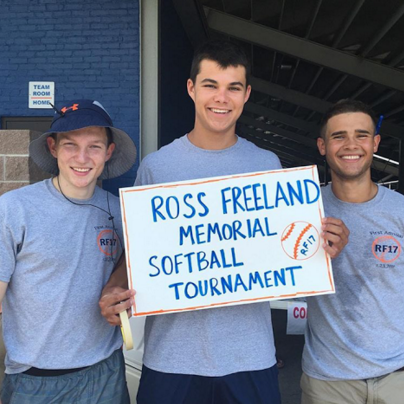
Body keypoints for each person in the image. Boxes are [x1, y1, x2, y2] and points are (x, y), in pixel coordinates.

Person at [100, 40, 348, 404]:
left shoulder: (267, 166)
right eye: (210, 85)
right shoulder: (158, 166)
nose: (221, 98)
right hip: (171, 358)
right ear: (191, 88)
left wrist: (323, 244)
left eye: (233, 87)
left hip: (250, 356)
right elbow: (137, 249)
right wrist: (113, 287)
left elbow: (287, 251)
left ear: (246, 94)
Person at [0, 99, 137, 404]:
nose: (82, 157)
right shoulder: (14, 208)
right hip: (33, 381)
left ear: (109, 152)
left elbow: (137, 274)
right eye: (70, 145)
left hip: (105, 374)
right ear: (53, 147)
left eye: (95, 147)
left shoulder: (120, 212)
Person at [301, 99, 404, 404]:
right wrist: (316, 260)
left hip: (396, 377)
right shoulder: (303, 212)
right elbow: (272, 273)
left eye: (361, 135)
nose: (350, 145)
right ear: (322, 146)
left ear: (375, 143)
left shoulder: (400, 210)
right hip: (328, 382)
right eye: (338, 136)